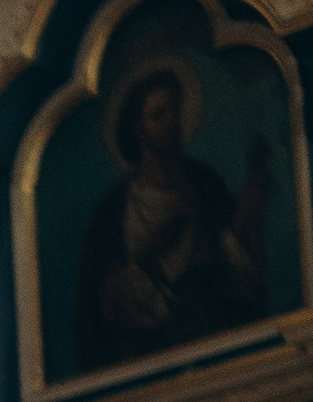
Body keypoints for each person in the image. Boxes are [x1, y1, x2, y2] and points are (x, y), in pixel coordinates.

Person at [77, 57, 274, 369]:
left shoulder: (203, 183)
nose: (172, 122)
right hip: (147, 353)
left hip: (213, 335)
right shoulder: (115, 209)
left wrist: (240, 223)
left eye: (175, 111)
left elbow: (236, 278)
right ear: (139, 129)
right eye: (159, 115)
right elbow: (103, 308)